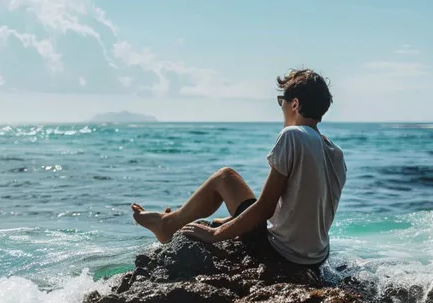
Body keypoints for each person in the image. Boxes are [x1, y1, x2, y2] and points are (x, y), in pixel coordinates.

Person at [131, 69, 347, 268]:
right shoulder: (336, 153)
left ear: (294, 105)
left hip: (280, 253)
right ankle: (176, 219)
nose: (281, 106)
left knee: (225, 177)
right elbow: (300, 208)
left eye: (282, 100)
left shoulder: (293, 135)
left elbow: (265, 208)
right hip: (316, 259)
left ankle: (167, 224)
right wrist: (230, 222)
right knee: (227, 210)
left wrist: (216, 234)